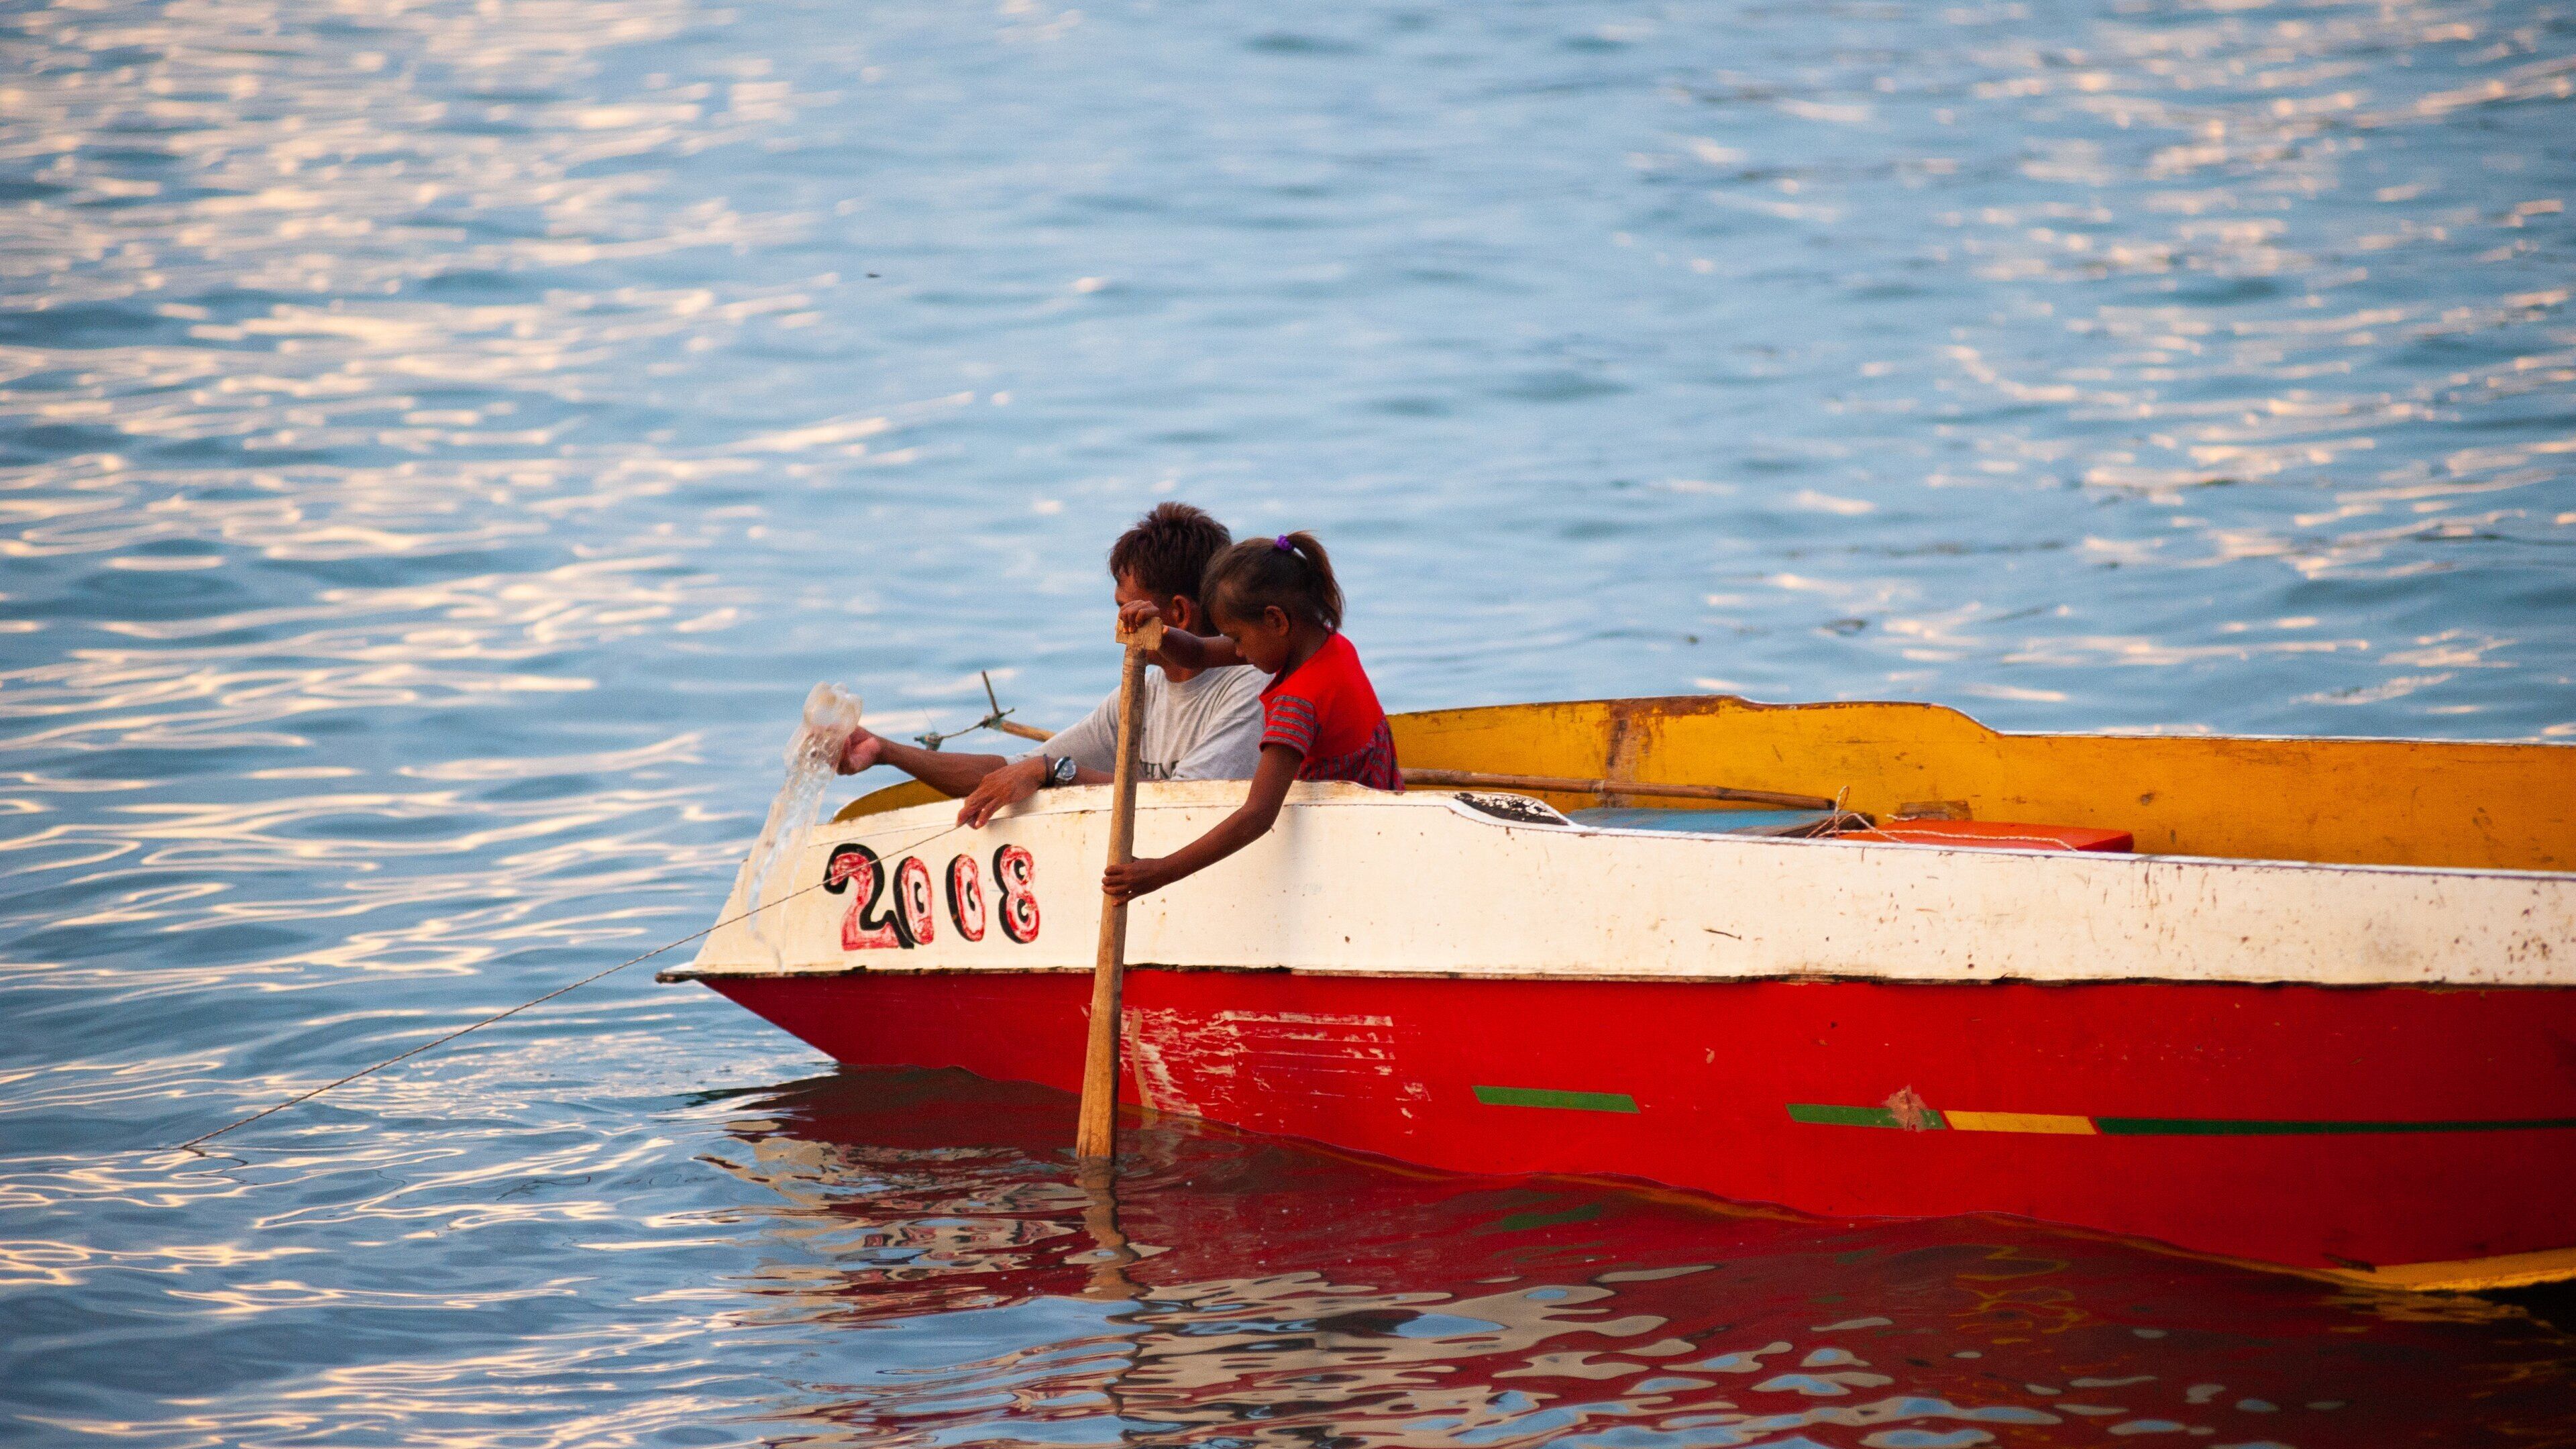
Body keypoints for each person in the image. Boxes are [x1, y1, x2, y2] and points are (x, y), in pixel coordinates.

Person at [835, 503, 1267, 826]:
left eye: (1127, 609)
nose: (1117, 623)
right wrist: (884, 751)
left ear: (1179, 613)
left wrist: (1057, 773)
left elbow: (1179, 809)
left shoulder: (1250, 690)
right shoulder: (1141, 696)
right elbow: (1006, 774)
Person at [1102, 531, 1397, 903]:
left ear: (1276, 620)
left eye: (1237, 637)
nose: (1237, 652)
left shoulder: (1297, 703)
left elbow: (1258, 815)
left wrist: (1163, 870)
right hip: (1382, 814)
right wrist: (1158, 632)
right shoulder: (1327, 643)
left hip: (1346, 847)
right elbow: (1197, 654)